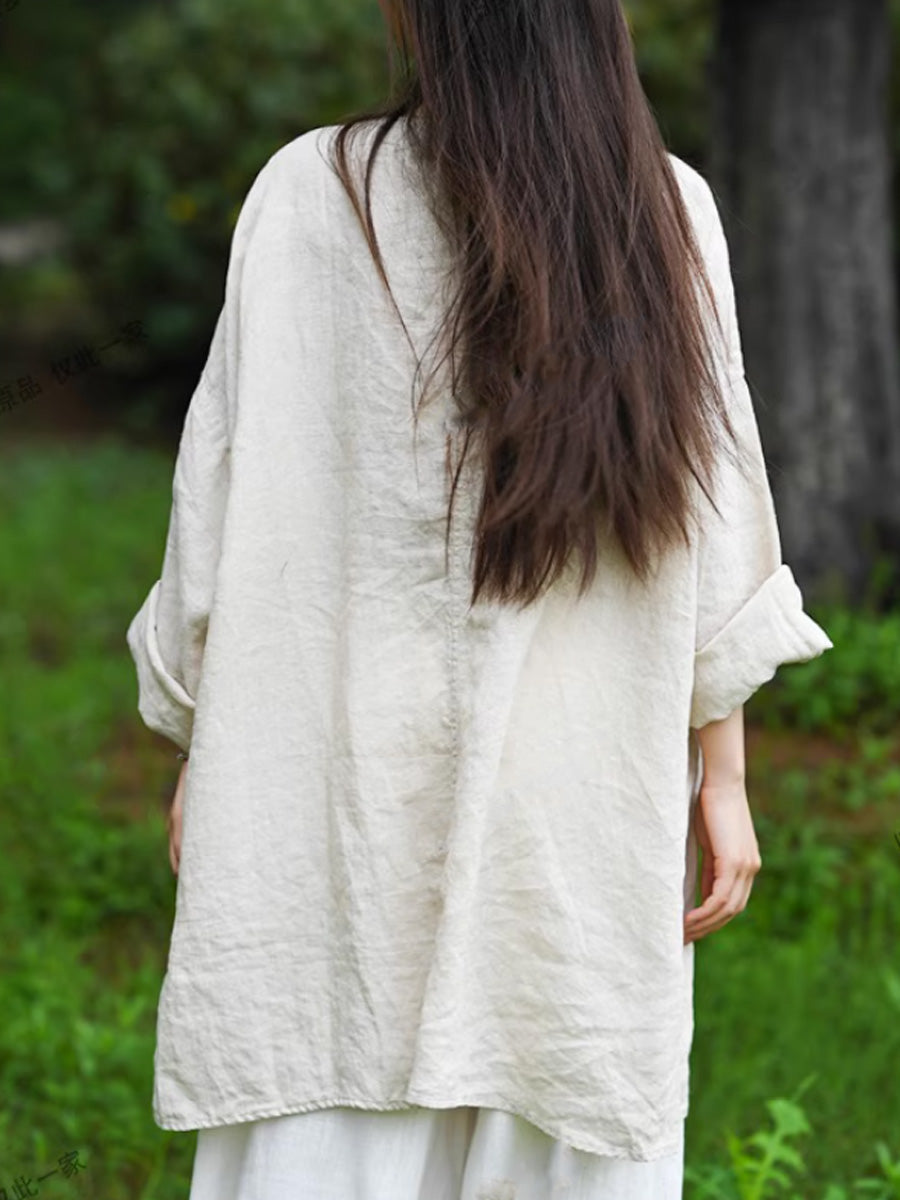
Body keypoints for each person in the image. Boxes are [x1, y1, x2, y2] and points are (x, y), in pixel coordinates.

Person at [125, 1, 834, 1197]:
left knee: (325, 1091)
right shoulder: (664, 209)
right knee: (561, 1066)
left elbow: (223, 500)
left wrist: (211, 734)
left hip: (333, 795)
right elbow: (709, 525)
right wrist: (723, 776)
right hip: (580, 801)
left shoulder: (311, 193)